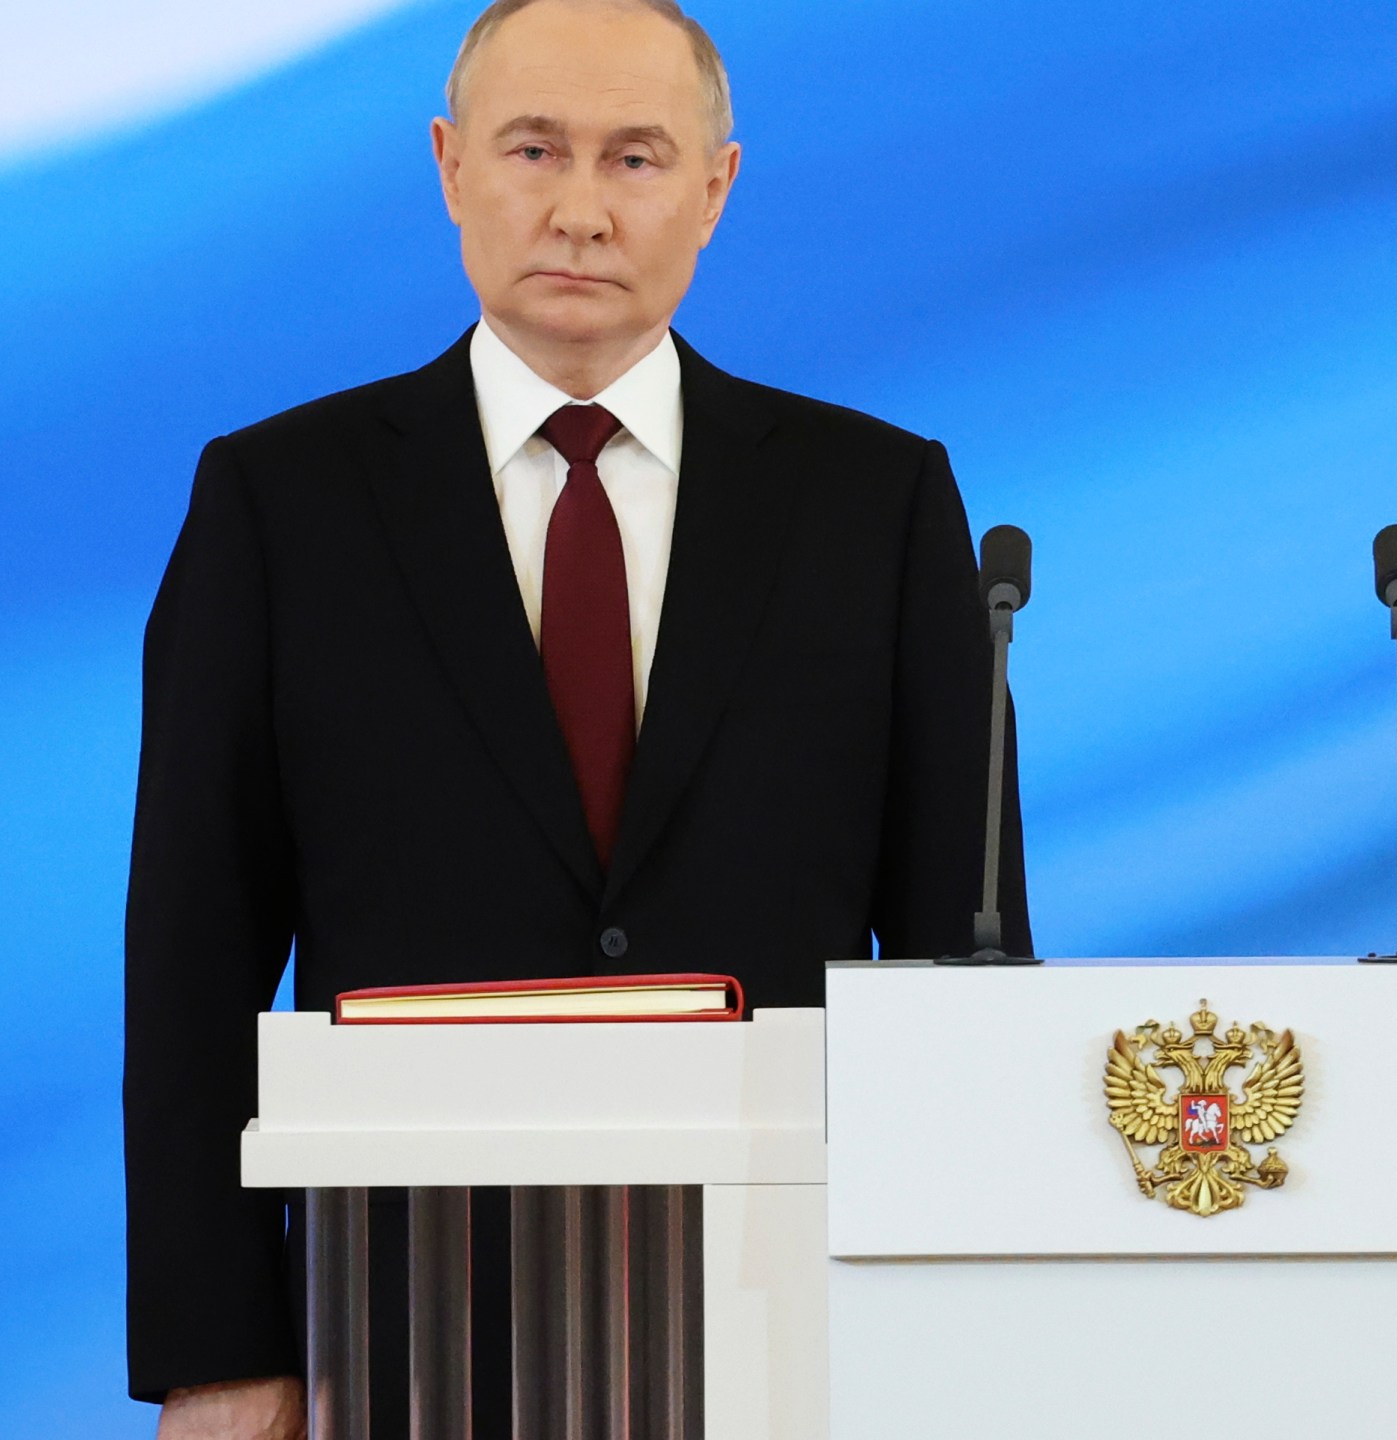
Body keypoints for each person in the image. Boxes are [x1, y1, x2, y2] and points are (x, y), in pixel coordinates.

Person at [122, 0, 1031, 1434]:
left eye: (636, 158)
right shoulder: (281, 505)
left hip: (794, 1311)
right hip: (400, 1308)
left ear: (718, 187)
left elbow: (960, 955)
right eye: (534, 149)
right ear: (450, 166)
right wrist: (218, 1349)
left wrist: (960, 1306)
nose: (581, 211)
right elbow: (191, 957)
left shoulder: (877, 502)